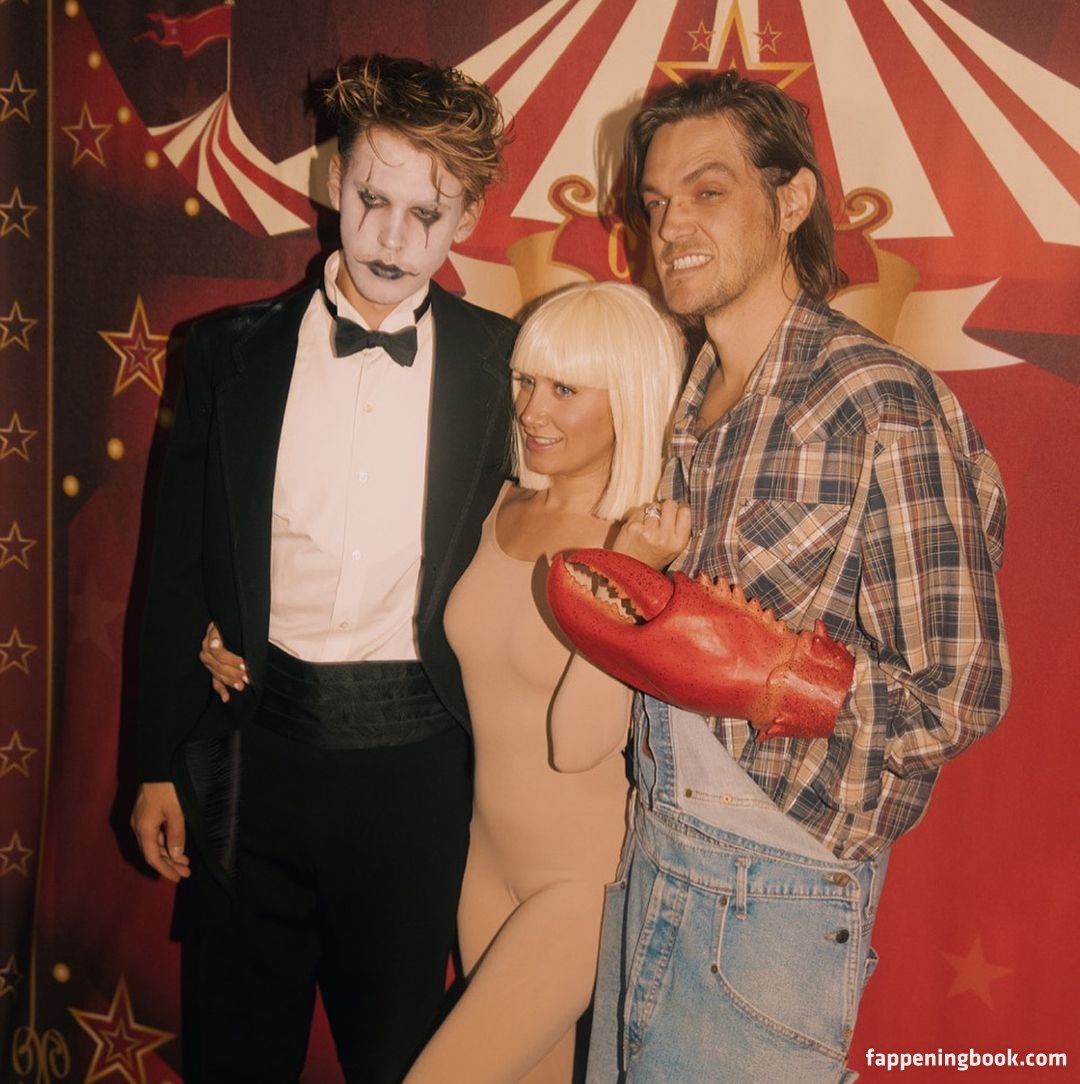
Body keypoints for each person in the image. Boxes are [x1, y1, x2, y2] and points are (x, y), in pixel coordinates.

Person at [561, 72, 1011, 1083]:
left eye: (708, 190)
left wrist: (782, 678)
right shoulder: (693, 390)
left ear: (793, 198)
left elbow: (962, 691)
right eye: (656, 201)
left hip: (773, 887)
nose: (671, 225)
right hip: (655, 842)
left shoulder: (876, 398)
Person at [130, 54, 515, 1083]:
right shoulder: (228, 351)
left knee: (399, 1059)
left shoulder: (509, 366)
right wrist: (157, 759)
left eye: (426, 214)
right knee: (235, 1050)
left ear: (468, 218)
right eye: (372, 200)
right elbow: (174, 565)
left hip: (419, 774)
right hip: (252, 752)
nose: (392, 238)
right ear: (332, 181)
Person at [203, 282, 688, 1082]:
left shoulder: (647, 544)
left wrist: (628, 575)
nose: (531, 410)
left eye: (565, 390)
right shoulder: (495, 502)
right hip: (481, 864)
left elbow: (579, 741)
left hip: (585, 883)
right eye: (526, 380)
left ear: (630, 399)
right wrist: (229, 629)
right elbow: (364, 578)